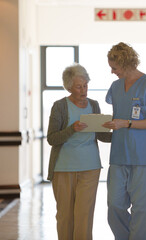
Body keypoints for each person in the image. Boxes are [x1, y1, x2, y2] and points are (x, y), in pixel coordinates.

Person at [103, 42, 146, 240]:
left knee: (143, 209)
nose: (112, 72)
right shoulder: (115, 87)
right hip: (120, 154)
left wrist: (127, 123)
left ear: (126, 63)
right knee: (114, 205)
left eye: (115, 67)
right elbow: (117, 120)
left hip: (145, 156)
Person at [47, 63, 111, 240]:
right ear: (69, 87)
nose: (84, 90)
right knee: (65, 216)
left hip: (90, 166)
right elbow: (52, 138)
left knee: (84, 215)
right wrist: (72, 129)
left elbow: (101, 136)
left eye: (85, 85)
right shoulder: (59, 106)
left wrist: (117, 131)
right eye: (78, 86)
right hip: (63, 168)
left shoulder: (94, 105)